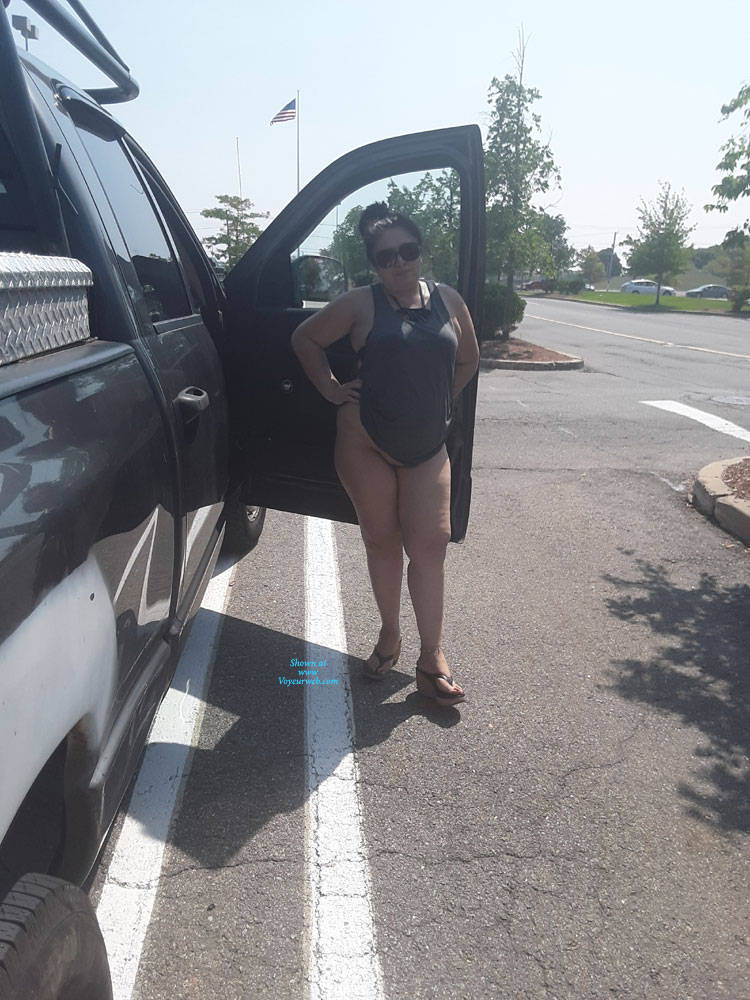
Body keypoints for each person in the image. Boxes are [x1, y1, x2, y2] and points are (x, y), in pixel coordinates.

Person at [291, 202, 479, 707]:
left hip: (427, 447)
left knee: (431, 544)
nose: (399, 262)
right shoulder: (360, 304)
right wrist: (331, 389)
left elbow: (468, 359)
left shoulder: (449, 300)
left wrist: (439, 401)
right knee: (382, 540)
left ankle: (431, 657)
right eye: (385, 256)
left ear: (420, 251)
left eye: (407, 251)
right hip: (365, 443)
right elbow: (305, 339)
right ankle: (390, 634)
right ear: (374, 264)